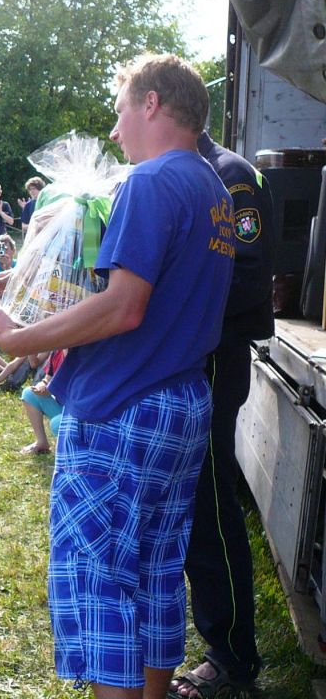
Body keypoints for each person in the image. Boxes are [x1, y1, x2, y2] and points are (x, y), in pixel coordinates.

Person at [0, 53, 235, 698]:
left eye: (121, 111)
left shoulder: (150, 182)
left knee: (98, 580)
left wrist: (17, 338)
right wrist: (33, 278)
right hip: (181, 403)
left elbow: (124, 307)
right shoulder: (213, 189)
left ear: (151, 103)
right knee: (156, 569)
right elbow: (156, 293)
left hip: (122, 406)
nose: (116, 131)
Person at [168, 132, 276, 698]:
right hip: (193, 354)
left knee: (209, 503)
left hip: (213, 356)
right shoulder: (191, 171)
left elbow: (246, 275)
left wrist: (165, 305)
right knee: (194, 502)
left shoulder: (229, 175)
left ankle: (232, 657)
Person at [18, 349, 65, 455]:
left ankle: (70, 450)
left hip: (79, 414)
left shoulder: (81, 356)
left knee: (57, 424)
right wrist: (42, 384)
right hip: (63, 407)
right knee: (29, 393)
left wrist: (51, 389)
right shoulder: (57, 352)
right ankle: (41, 442)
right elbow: (47, 378)